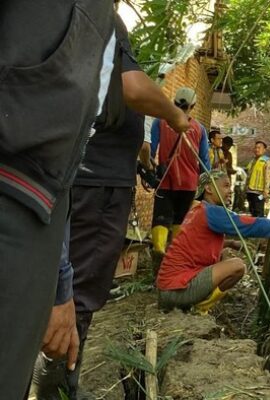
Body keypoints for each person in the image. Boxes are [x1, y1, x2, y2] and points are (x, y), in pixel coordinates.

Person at [32, 9, 191, 398]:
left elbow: (118, 102)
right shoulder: (102, 18)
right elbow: (135, 89)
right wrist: (174, 115)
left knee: (78, 286)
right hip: (96, 184)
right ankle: (53, 385)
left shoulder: (90, 24)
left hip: (98, 177)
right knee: (79, 291)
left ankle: (59, 380)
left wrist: (142, 162)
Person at [0, 1, 116, 395]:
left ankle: (56, 380)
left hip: (40, 204)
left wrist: (60, 282)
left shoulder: (104, 23)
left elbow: (69, 158)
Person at [156, 170, 270, 313]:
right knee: (237, 266)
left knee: (225, 255)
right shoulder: (212, 212)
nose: (230, 191)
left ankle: (195, 305)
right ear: (209, 189)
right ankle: (200, 308)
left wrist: (230, 244)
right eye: (225, 186)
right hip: (177, 289)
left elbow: (196, 245)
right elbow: (251, 225)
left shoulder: (198, 210)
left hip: (168, 288)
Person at [150, 87, 211, 262]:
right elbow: (204, 163)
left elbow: (151, 149)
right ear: (193, 106)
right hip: (189, 184)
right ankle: (174, 258)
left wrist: (150, 170)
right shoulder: (199, 129)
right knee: (180, 220)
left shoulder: (160, 122)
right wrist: (205, 187)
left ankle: (159, 249)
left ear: (174, 102)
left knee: (161, 217)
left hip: (166, 181)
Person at [245, 141, 270, 217]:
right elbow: (248, 175)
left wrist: (265, 191)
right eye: (255, 147)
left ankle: (259, 228)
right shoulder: (252, 161)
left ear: (264, 150)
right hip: (250, 191)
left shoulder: (267, 161)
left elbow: (268, 176)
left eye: (259, 148)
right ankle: (253, 227)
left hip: (259, 192)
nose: (256, 149)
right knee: (252, 211)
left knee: (258, 212)